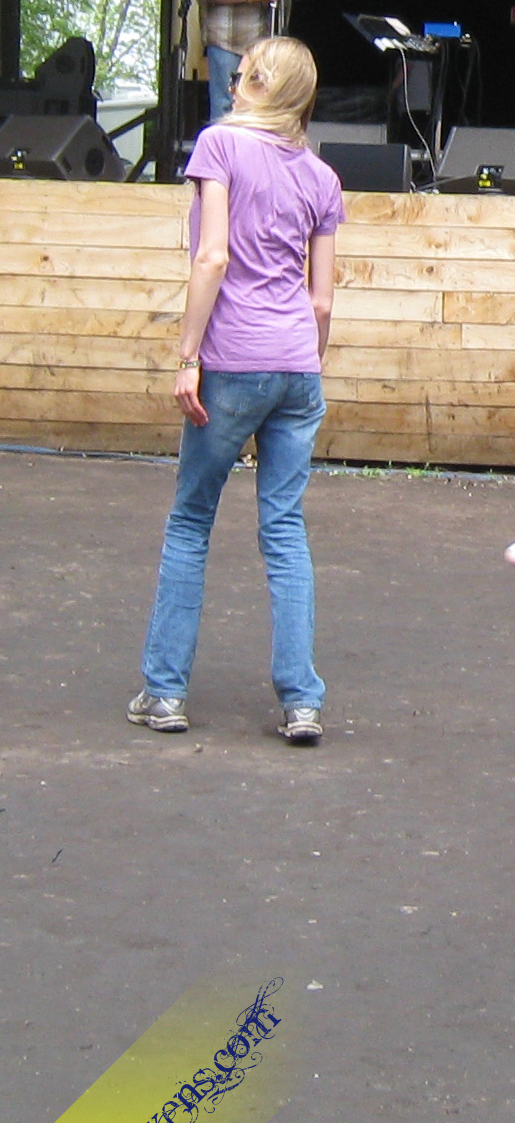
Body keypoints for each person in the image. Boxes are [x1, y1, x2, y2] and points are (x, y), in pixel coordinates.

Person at [128, 37, 344, 744]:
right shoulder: (320, 176)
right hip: (296, 366)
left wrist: (187, 355)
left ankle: (164, 693)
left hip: (232, 359)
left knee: (190, 521)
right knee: (284, 532)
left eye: (245, 72)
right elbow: (320, 302)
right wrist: (299, 367)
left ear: (254, 82)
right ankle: (302, 701)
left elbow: (212, 255)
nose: (235, 80)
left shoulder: (218, 146)